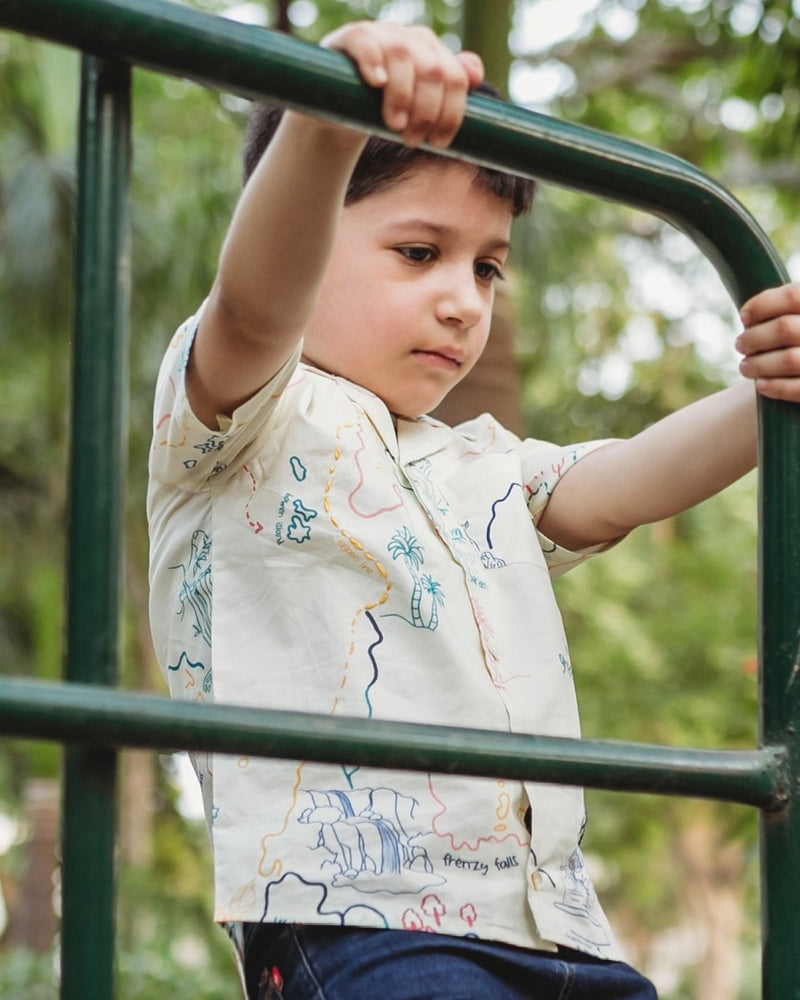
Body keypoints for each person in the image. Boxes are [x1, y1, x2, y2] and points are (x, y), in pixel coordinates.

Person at [147, 20, 800, 1000]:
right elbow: (252, 308)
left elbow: (619, 482)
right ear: (306, 222)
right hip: (358, 913)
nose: (463, 298)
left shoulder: (480, 460)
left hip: (555, 928)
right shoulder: (240, 413)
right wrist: (327, 121)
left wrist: (768, 392)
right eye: (418, 252)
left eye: (485, 266)